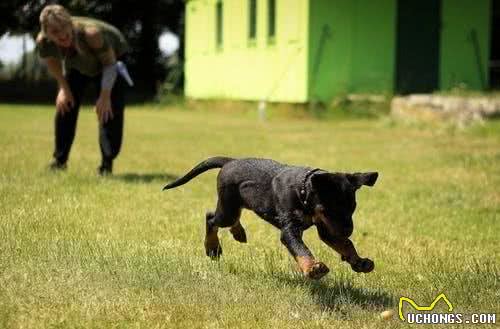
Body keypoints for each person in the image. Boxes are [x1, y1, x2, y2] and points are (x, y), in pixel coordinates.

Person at [36, 4, 132, 175]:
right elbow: (53, 63)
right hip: (78, 64)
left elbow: (109, 64)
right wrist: (63, 89)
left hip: (111, 61)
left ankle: (106, 165)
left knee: (108, 111)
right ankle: (59, 161)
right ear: (46, 32)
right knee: (65, 105)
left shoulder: (91, 34)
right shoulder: (44, 42)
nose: (62, 35)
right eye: (55, 32)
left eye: (64, 28)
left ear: (70, 23)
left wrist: (104, 96)